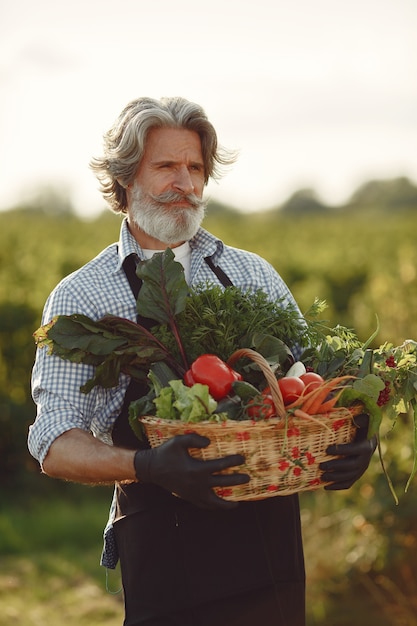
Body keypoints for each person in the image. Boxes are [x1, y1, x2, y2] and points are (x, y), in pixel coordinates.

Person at [28, 96, 376, 626]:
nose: (185, 183)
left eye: (195, 168)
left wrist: (353, 436)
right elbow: (54, 443)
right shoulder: (83, 296)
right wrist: (145, 465)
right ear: (125, 180)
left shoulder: (253, 275)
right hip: (165, 563)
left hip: (269, 560)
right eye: (166, 166)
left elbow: (313, 384)